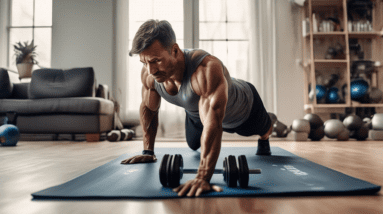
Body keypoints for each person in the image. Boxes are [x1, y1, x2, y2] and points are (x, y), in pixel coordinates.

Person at [121, 19, 273, 197]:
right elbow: (149, 108)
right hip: (197, 114)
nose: (151, 70)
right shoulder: (149, 74)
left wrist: (203, 177)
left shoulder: (205, 69)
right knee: (193, 144)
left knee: (263, 130)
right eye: (145, 62)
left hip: (242, 110)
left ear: (175, 50)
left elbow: (214, 123)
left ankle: (269, 126)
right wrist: (148, 151)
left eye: (156, 60)